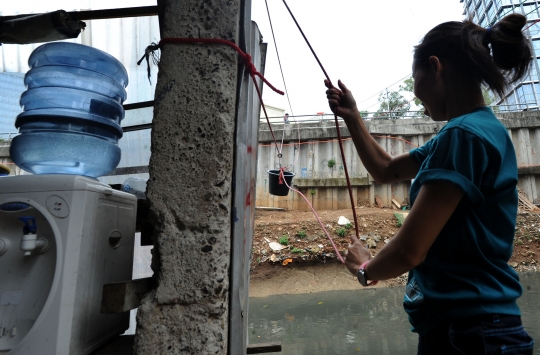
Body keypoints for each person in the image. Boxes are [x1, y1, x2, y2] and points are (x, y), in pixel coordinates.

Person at [325, 14, 534, 354]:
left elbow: (411, 250)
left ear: (435, 67)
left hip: (468, 333)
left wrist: (365, 269)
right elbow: (387, 169)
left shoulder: (462, 136)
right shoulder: (476, 130)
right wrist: (352, 116)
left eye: (415, 78)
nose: (417, 94)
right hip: (476, 328)